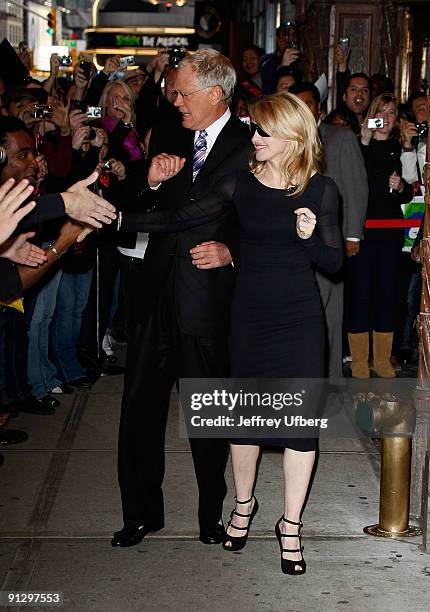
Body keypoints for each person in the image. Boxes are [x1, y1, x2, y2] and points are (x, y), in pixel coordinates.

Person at [115, 92, 342, 574]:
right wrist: (117, 219)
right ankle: (243, 507)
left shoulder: (322, 191)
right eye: (253, 129)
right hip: (249, 318)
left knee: (300, 430)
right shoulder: (239, 183)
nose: (253, 138)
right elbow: (181, 219)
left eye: (263, 132)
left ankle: (291, 526)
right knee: (245, 424)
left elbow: (335, 262)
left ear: (292, 137)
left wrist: (309, 237)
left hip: (299, 321)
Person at [111, 49, 253, 548]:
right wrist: (148, 181)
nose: (175, 101)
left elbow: (264, 222)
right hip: (154, 296)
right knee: (138, 411)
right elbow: (137, 198)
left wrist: (232, 252)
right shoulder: (170, 133)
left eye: (183, 92)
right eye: (173, 92)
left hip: (208, 301)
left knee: (208, 415)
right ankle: (140, 513)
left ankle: (211, 513)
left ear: (216, 94)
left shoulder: (250, 144)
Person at [289, 82, 367, 383]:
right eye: (297, 103)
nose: (304, 109)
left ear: (319, 107)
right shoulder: (283, 138)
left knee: (329, 312)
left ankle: (329, 378)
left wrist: (352, 236)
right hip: (291, 242)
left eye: (309, 103)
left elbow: (357, 188)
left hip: (329, 240)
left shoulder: (340, 137)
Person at [347, 93, 413, 378]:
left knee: (387, 294)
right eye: (380, 112)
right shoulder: (359, 146)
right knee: (361, 292)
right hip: (362, 231)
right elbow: (352, 179)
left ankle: (383, 358)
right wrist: (363, 139)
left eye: (390, 112)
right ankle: (360, 359)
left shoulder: (401, 148)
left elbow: (414, 190)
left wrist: (401, 187)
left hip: (390, 231)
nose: (384, 118)